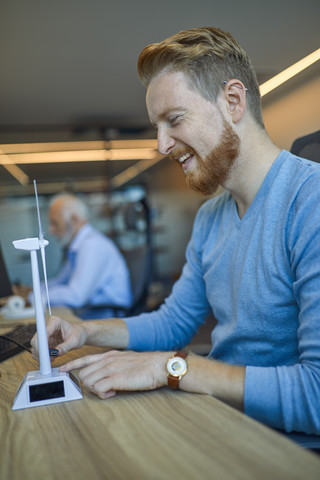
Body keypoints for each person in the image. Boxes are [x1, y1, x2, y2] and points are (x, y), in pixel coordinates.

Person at [31, 27, 320, 435]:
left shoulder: (310, 201)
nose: (162, 144)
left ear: (233, 101)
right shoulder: (210, 217)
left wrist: (171, 367)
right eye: (156, 126)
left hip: (284, 448)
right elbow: (175, 323)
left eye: (174, 119)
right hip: (219, 419)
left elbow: (316, 395)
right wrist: (85, 331)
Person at [30, 193, 133, 318]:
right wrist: (34, 290)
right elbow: (62, 280)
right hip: (91, 312)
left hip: (107, 316)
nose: (51, 230)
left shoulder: (92, 245)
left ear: (73, 220)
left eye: (55, 223)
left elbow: (76, 296)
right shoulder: (77, 246)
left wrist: (36, 297)